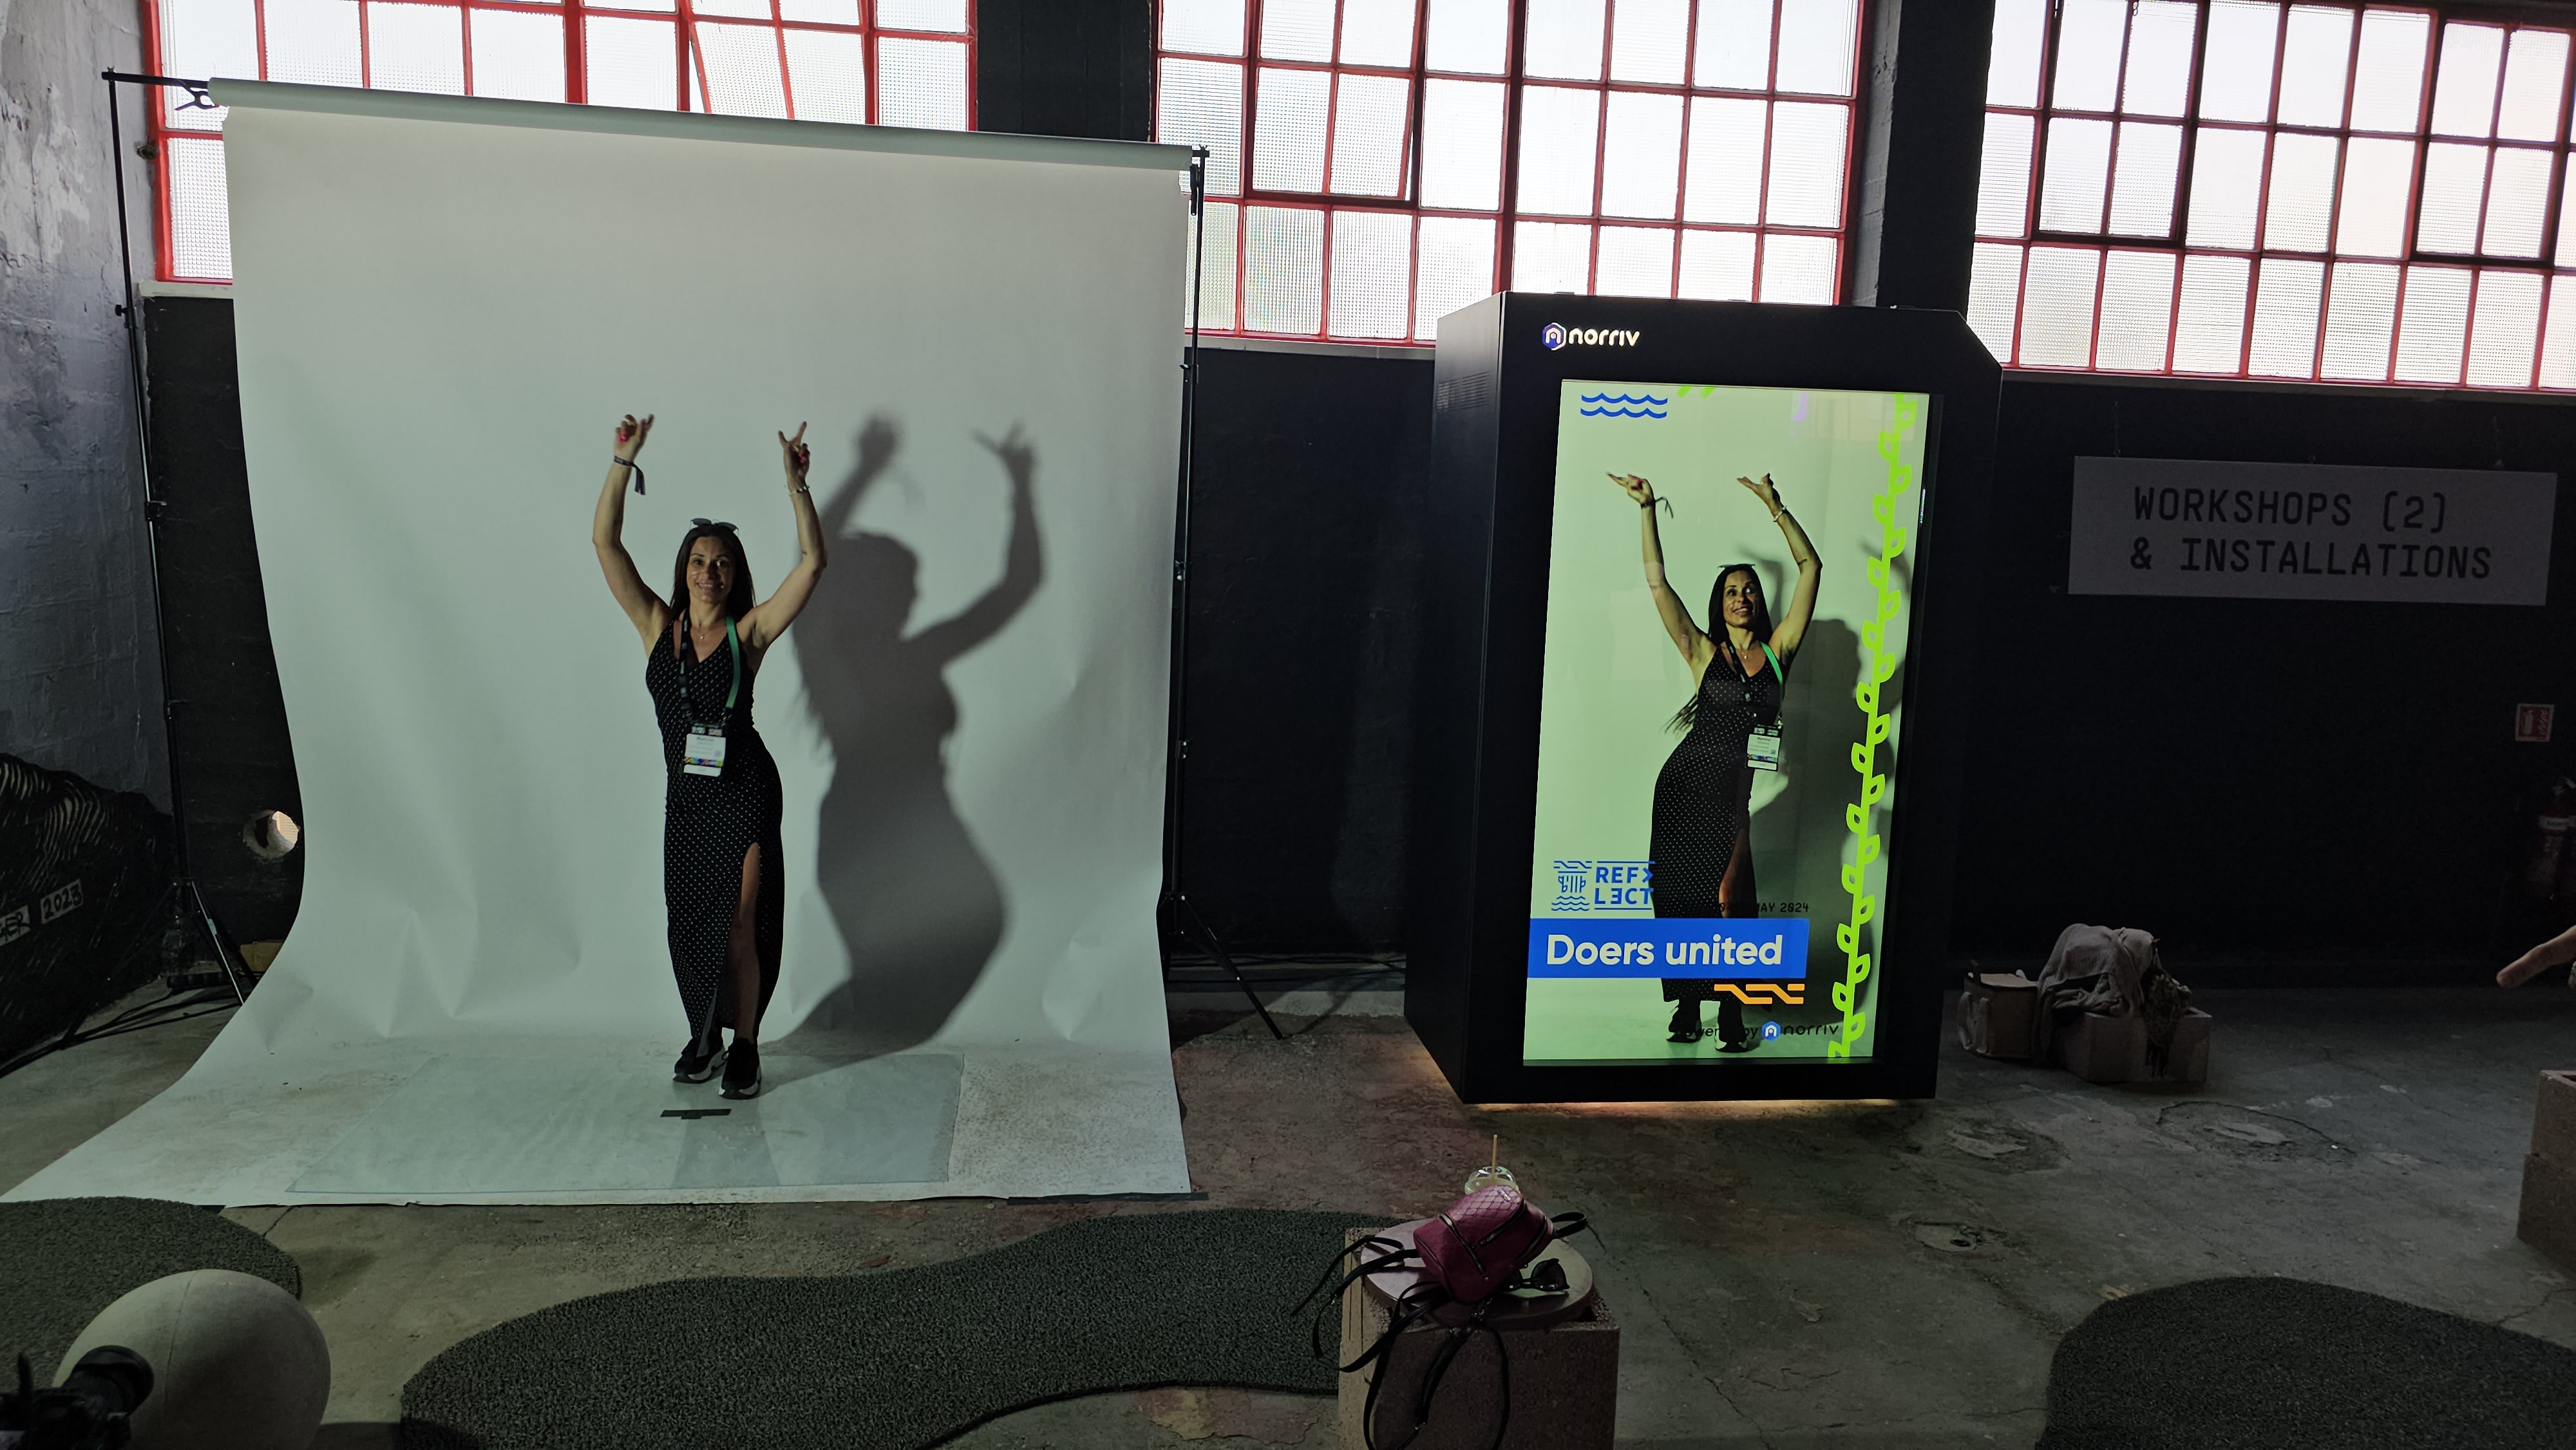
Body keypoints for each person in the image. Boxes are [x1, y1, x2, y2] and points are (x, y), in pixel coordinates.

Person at [592, 413, 828, 1098]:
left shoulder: (747, 634)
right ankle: (706, 1035)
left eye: (722, 563)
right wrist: (622, 462)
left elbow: (814, 564)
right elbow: (606, 541)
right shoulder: (655, 627)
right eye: (698, 560)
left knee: (739, 919)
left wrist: (797, 487)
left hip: (745, 788)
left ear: (735, 575)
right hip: (687, 799)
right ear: (684, 568)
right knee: (691, 922)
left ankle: (747, 1045)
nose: (708, 572)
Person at [1609, 469, 1820, 1049]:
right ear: (1719, 603)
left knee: (1733, 905)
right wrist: (1648, 510)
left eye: (1749, 589)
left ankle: (1730, 1013)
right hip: (1683, 789)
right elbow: (1658, 586)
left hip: (1733, 797)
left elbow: (1811, 570)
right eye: (1730, 591)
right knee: (1681, 901)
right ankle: (1685, 1010)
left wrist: (1777, 509)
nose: (1741, 598)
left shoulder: (1780, 653)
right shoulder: (1704, 652)